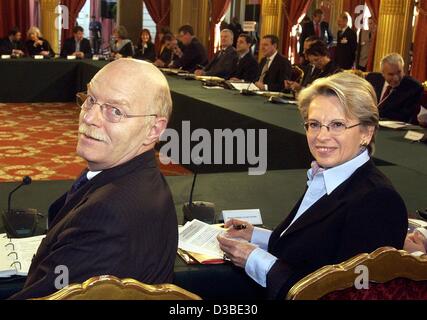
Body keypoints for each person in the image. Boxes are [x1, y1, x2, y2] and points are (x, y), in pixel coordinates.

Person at [218, 72, 408, 299]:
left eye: (337, 125)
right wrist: (256, 236)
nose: (321, 136)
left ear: (366, 132)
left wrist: (255, 259)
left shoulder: (379, 201)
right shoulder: (330, 175)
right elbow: (313, 249)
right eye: (314, 124)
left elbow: (346, 293)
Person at [10, 59, 178, 299]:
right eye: (90, 100)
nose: (89, 117)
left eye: (115, 111)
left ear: (154, 129)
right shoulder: (139, 176)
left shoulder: (109, 217)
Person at [366, 53, 423, 123]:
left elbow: (404, 116)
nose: (396, 78)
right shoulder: (372, 79)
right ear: (383, 73)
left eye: (399, 72)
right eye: (391, 74)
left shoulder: (414, 87)